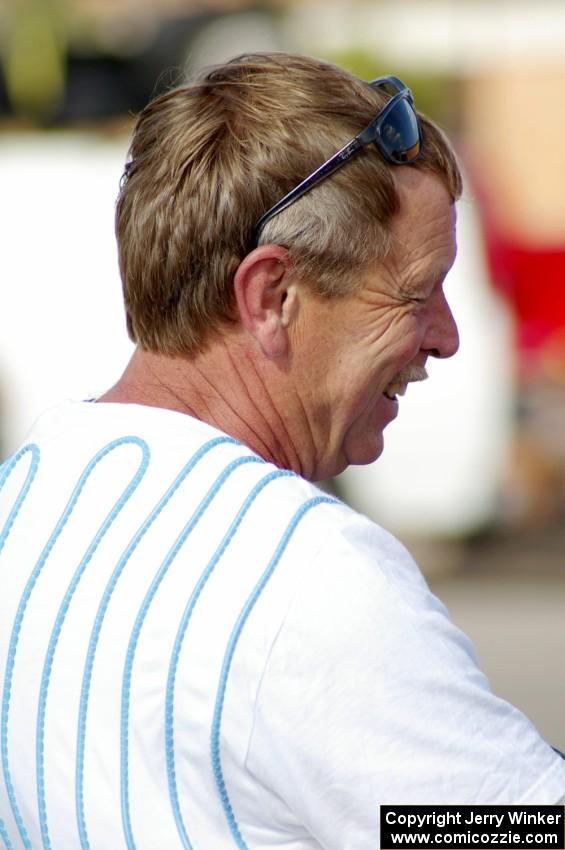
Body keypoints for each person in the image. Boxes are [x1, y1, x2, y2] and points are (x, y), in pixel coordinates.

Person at [0, 52, 563, 850]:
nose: (446, 336)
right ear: (272, 297)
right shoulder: (305, 576)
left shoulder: (23, 507)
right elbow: (508, 832)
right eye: (414, 292)